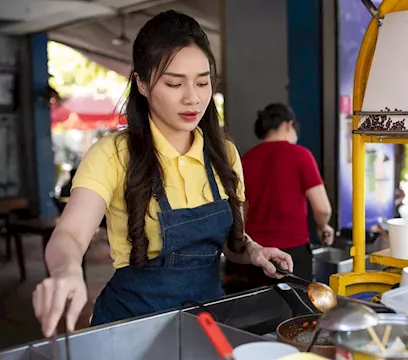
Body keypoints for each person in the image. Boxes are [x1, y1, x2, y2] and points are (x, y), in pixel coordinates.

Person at [31, 11, 293, 337]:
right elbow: (69, 234)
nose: (192, 98)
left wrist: (253, 251)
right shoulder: (113, 154)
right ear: (141, 83)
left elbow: (230, 245)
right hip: (130, 327)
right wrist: (66, 271)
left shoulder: (224, 155)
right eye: (173, 83)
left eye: (202, 82)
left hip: (206, 322)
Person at [233, 103, 333, 288]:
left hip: (254, 255)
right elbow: (322, 208)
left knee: (257, 312)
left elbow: (239, 210)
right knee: (296, 312)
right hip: (292, 255)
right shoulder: (301, 155)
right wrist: (322, 225)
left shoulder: (245, 159)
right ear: (288, 125)